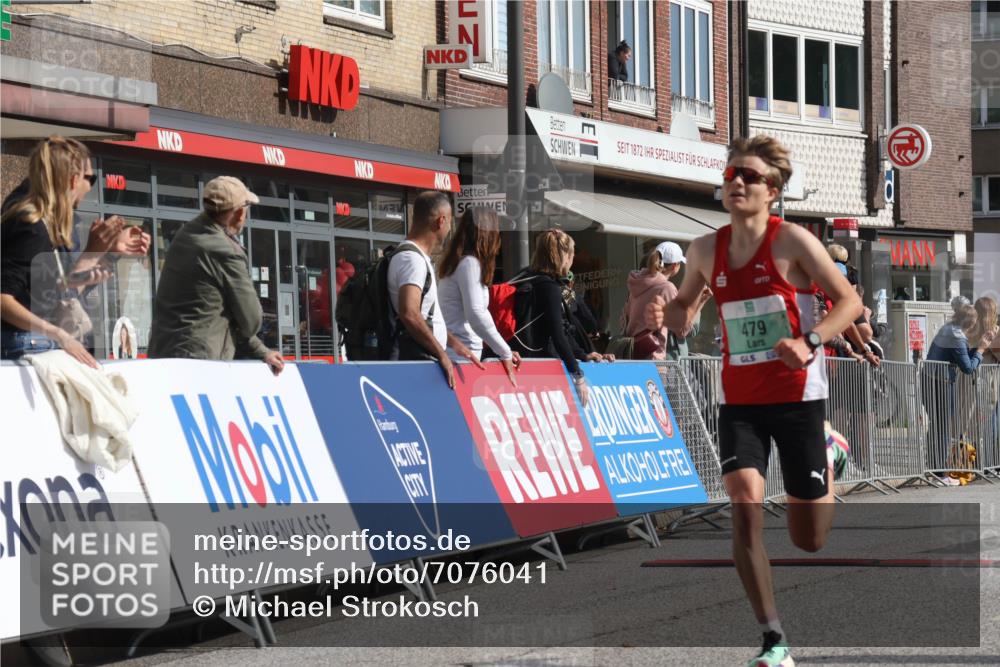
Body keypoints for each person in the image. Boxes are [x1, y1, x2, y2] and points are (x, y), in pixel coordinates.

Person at [651, 135, 863, 667]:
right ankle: (773, 639)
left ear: (773, 189)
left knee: (808, 539)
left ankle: (830, 447)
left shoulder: (791, 241)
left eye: (747, 175)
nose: (737, 183)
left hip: (797, 396)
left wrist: (810, 341)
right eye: (730, 176)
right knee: (744, 510)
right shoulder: (704, 249)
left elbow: (849, 301)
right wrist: (673, 316)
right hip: (739, 399)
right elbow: (681, 310)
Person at [1, 137, 147, 368]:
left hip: (34, 346)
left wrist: (105, 253)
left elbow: (51, 297)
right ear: (73, 180)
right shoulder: (31, 225)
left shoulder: (44, 224)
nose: (90, 187)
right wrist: (60, 335)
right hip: (27, 348)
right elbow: (3, 298)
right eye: (90, 178)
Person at [147, 176, 285, 375]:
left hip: (164, 354)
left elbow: (211, 308)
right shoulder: (226, 250)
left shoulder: (185, 235)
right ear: (239, 213)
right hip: (199, 362)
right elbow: (251, 320)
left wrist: (261, 351)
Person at [387, 191, 481, 387]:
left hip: (423, 360)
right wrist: (441, 354)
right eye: (449, 223)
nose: (449, 229)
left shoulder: (417, 258)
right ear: (441, 221)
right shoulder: (412, 260)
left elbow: (424, 316)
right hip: (418, 364)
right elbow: (410, 313)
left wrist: (452, 342)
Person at [515, 230, 612, 407]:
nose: (572, 259)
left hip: (523, 363)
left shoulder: (525, 277)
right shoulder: (549, 287)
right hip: (541, 368)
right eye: (572, 253)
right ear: (564, 256)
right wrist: (578, 375)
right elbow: (558, 334)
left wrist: (583, 354)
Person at [438, 206, 520, 385]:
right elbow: (476, 314)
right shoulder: (469, 264)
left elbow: (479, 313)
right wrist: (504, 351)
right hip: (460, 356)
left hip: (460, 353)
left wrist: (502, 348)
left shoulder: (461, 262)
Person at [622, 241, 711, 360]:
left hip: (635, 356)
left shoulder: (637, 284)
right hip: (660, 360)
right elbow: (683, 330)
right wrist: (699, 301)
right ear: (675, 266)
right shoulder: (666, 288)